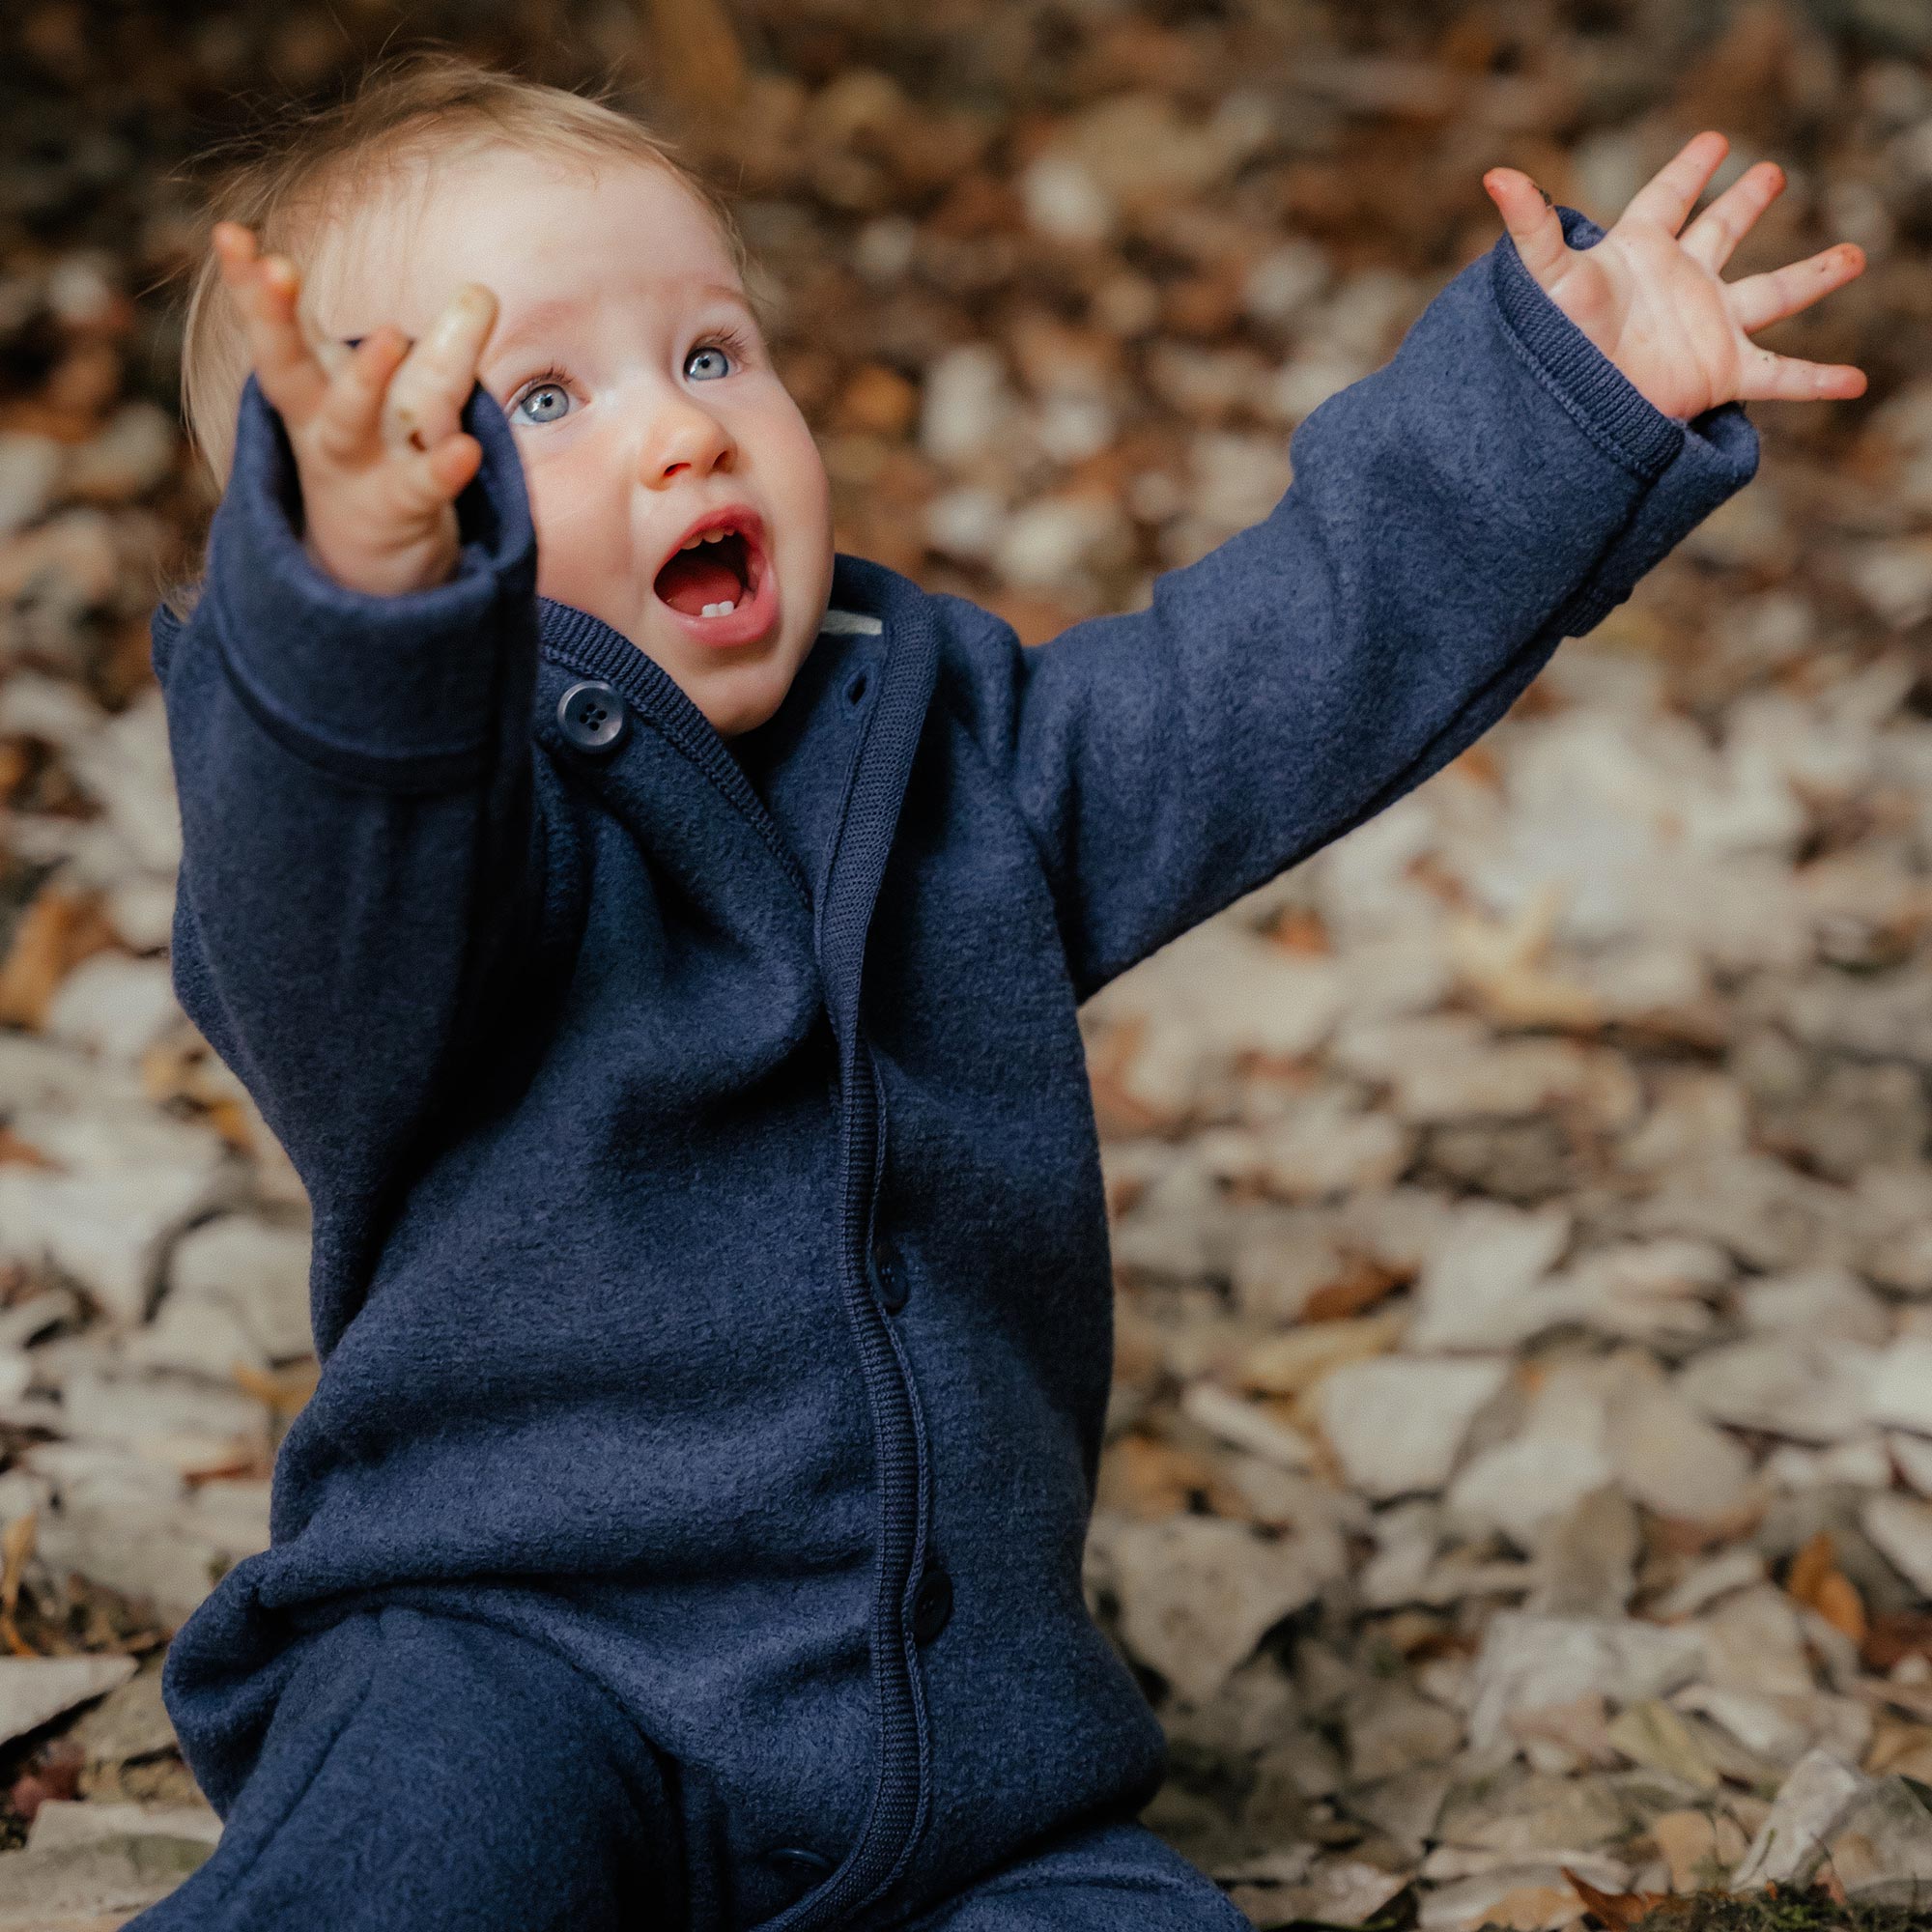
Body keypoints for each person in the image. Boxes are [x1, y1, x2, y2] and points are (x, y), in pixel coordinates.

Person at [129, 47, 1863, 1932]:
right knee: (407, 1860)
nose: (686, 431)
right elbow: (316, 860)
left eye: (711, 352)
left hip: (945, 1754)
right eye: (542, 397)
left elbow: (1268, 672)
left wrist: (1556, 410)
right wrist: (356, 625)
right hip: (505, 1664)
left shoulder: (955, 758)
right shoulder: (421, 862)